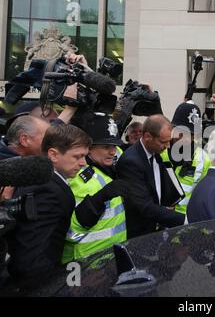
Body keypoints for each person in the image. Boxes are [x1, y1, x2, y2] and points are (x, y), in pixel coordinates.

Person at [6, 124, 91, 285]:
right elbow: (32, 256)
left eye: (85, 156)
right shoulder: (47, 190)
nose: (84, 163)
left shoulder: (45, 180)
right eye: (77, 156)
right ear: (53, 154)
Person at [63, 114, 128, 263]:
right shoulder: (79, 177)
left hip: (108, 258)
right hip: (86, 264)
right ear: (89, 149)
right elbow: (70, 232)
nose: (113, 151)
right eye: (106, 147)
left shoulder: (105, 170)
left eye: (114, 146)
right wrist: (96, 201)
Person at [116, 114, 185, 238]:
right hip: (138, 235)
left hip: (156, 229)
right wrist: (185, 220)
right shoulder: (131, 162)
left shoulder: (155, 153)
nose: (168, 146)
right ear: (147, 136)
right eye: (163, 142)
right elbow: (144, 206)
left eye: (169, 141)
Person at [161, 102, 212, 216]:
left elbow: (205, 198)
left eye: (190, 134)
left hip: (185, 223)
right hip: (157, 219)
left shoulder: (204, 160)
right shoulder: (159, 151)